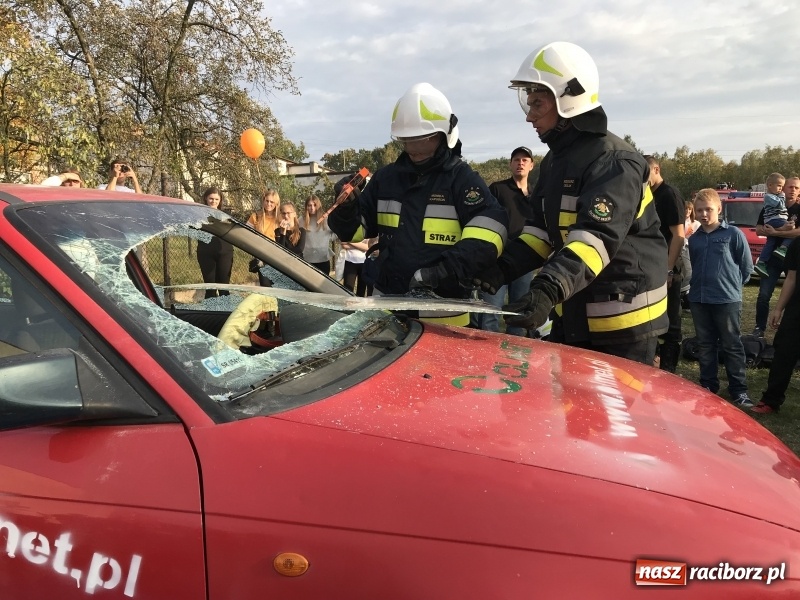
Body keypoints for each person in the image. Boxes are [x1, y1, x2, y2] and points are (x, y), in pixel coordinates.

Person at [474, 41, 668, 364]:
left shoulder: (615, 162)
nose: (529, 117)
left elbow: (595, 240)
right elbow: (540, 233)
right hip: (576, 314)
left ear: (569, 99)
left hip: (624, 324)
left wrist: (546, 289)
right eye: (528, 104)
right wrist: (500, 269)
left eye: (538, 104)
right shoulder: (554, 162)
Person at [327, 82, 508, 327]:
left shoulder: (462, 180)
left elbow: (492, 230)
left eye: (422, 139)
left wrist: (445, 270)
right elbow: (353, 233)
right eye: (406, 140)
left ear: (444, 134)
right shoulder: (386, 179)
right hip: (388, 307)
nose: (413, 148)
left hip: (445, 314)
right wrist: (347, 207)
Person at [687, 188, 753, 407]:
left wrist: (731, 286)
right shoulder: (694, 239)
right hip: (699, 299)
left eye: (708, 209)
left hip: (726, 300)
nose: (704, 214)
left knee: (731, 345)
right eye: (699, 210)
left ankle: (739, 390)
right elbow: (695, 264)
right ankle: (708, 385)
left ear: (719, 209)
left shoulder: (733, 234)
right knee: (705, 345)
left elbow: (746, 267)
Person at [471, 146, 535, 335]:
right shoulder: (498, 189)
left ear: (531, 165)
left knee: (519, 313)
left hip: (524, 261)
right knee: (491, 312)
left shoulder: (537, 194)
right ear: (510, 164)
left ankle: (515, 350)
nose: (520, 163)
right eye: (516, 160)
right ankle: (487, 349)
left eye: (525, 160)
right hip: (497, 260)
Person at [645, 156, 685, 373]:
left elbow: (678, 236)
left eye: (645, 173)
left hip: (669, 269)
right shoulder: (647, 194)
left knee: (671, 324)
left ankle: (669, 372)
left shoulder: (669, 194)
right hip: (651, 267)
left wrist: (668, 270)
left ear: (656, 169)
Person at [751, 236, 800, 414]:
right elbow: (791, 278)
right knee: (783, 353)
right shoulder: (797, 243)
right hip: (796, 310)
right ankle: (771, 400)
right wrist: (778, 309)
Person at [752, 175, 800, 337]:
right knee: (764, 295)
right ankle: (759, 328)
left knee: (794, 295)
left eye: (796, 188)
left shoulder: (799, 209)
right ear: (783, 187)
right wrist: (775, 231)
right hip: (772, 258)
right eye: (790, 187)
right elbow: (758, 229)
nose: (793, 190)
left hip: (793, 260)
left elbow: (798, 233)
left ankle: (788, 328)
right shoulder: (770, 205)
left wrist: (775, 232)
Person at [195, 187, 234, 298]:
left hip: (225, 253)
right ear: (206, 199)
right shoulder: (198, 215)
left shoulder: (226, 216)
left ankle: (225, 308)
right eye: (211, 198)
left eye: (216, 199)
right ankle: (211, 308)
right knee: (210, 289)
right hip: (206, 253)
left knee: (224, 289)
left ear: (220, 200)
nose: (213, 201)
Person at [753, 172, 789, 277]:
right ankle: (783, 248)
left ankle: (761, 262)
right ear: (770, 185)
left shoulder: (773, 196)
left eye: (782, 187)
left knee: (770, 242)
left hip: (773, 221)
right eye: (779, 186)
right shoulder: (768, 196)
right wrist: (783, 195)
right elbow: (780, 205)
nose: (781, 189)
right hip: (776, 219)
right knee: (791, 231)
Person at [301, 194, 335, 274]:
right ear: (306, 206)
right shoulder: (301, 220)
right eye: (309, 205)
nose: (312, 208)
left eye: (315, 205)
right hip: (307, 260)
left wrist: (329, 238)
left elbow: (337, 233)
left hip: (323, 260)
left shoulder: (326, 219)